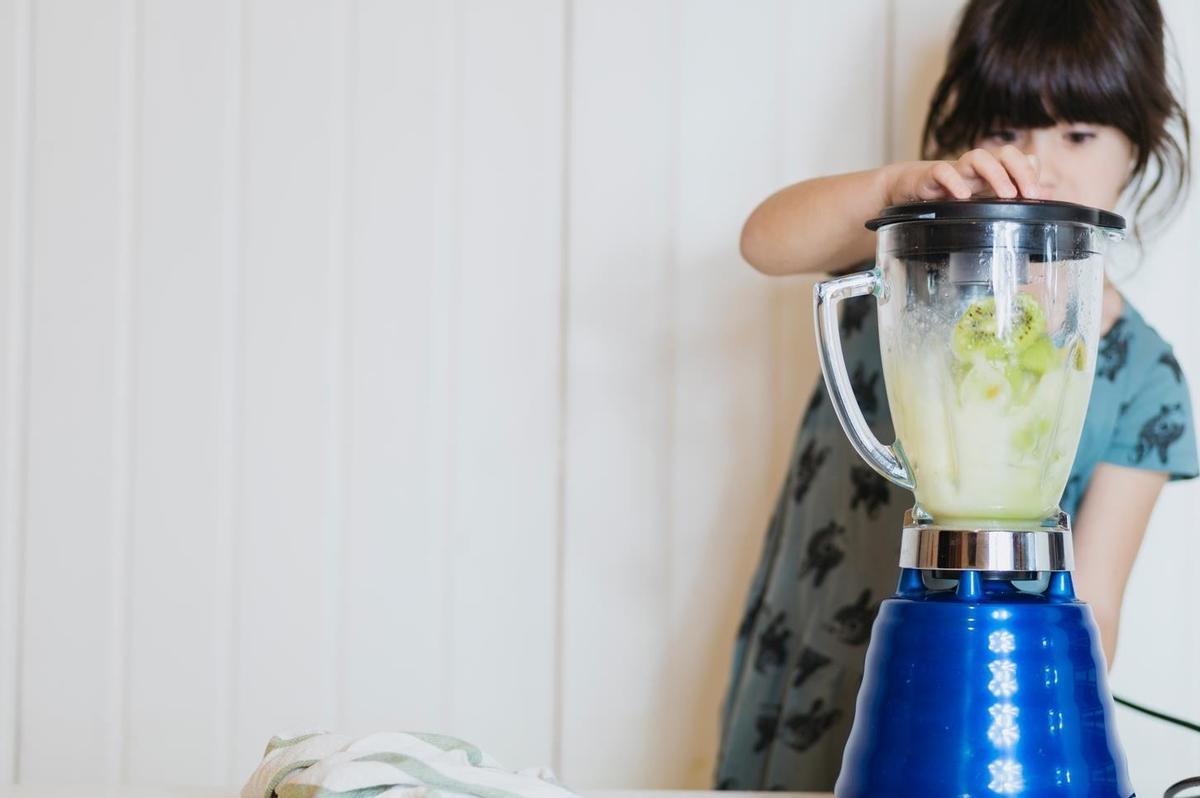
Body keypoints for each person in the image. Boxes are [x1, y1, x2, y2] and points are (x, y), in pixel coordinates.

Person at [714, 0, 1197, 789]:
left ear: (1141, 141)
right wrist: (899, 192)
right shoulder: (914, 271)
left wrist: (1029, 715)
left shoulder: (1145, 380)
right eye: (1007, 130)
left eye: (1079, 133)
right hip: (815, 662)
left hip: (979, 701)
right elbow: (762, 241)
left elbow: (1096, 605)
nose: (1040, 164)